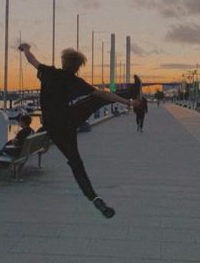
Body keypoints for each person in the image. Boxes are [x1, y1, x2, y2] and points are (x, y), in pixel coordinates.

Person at [18, 43, 140, 219]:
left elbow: (32, 60)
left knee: (75, 161)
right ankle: (131, 91)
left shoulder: (49, 73)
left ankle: (93, 197)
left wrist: (26, 49)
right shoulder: (75, 81)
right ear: (77, 67)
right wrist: (128, 102)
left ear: (63, 61)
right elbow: (104, 95)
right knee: (96, 98)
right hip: (70, 119)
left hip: (54, 127)